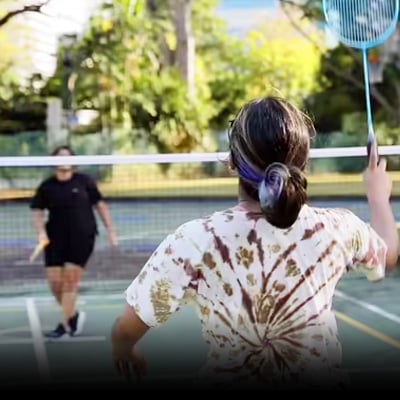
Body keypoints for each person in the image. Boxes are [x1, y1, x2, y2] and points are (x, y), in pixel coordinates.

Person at [111, 97, 398, 389]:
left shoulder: (194, 240)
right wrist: (377, 196)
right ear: (304, 163)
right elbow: (386, 255)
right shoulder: (337, 228)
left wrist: (125, 351)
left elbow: (125, 331)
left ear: (232, 163)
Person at [30, 145, 118, 339]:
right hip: (54, 239)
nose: (63, 160)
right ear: (52, 162)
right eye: (59, 157)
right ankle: (72, 315)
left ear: (73, 161)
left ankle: (65, 326)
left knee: (70, 282)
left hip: (82, 237)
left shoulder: (85, 182)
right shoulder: (46, 186)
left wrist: (111, 231)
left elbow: (101, 206)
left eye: (67, 157)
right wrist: (41, 233)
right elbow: (36, 212)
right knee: (55, 284)